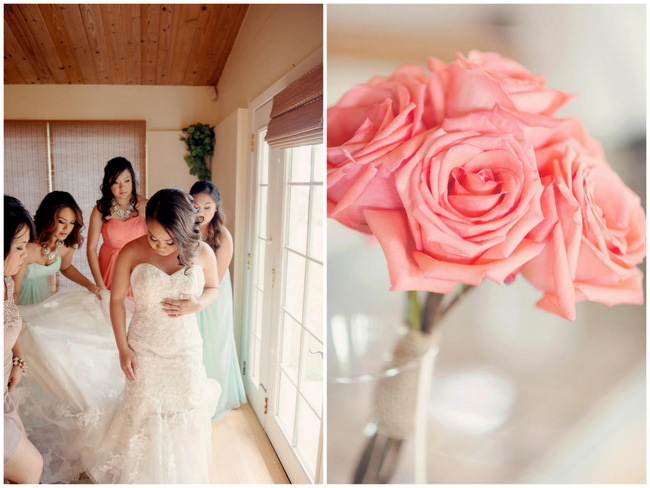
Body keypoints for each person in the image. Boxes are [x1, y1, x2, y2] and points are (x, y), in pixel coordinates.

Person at [79, 188, 221, 483]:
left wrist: (198, 304)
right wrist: (123, 349)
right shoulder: (132, 251)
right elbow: (116, 300)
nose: (159, 246)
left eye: (169, 241)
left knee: (183, 416)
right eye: (153, 237)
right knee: (143, 414)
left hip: (185, 350)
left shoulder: (203, 253)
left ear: (184, 231)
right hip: (143, 348)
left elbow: (213, 289)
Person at [190, 181, 247, 421]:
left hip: (213, 296)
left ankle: (216, 399)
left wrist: (197, 297)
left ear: (216, 208)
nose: (201, 212)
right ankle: (193, 395)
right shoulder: (184, 228)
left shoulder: (223, 237)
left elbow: (217, 279)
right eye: (195, 206)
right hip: (190, 290)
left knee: (213, 344)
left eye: (207, 207)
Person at [4, 195, 43, 484]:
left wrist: (17, 359)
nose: (24, 256)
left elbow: (10, 321)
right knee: (31, 467)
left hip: (5, 394)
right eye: (18, 248)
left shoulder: (6, 279)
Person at [12, 191, 101, 305]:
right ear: (48, 218)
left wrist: (90, 286)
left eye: (72, 222)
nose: (67, 228)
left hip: (42, 296)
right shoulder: (28, 246)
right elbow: (14, 292)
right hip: (18, 298)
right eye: (61, 221)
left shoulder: (68, 244)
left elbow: (66, 267)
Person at [87, 157, 147, 294]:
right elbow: (91, 249)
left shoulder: (146, 206)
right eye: (116, 182)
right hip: (109, 268)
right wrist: (99, 285)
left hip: (137, 267)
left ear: (133, 180)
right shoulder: (100, 210)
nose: (122, 187)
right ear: (108, 184)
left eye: (127, 181)